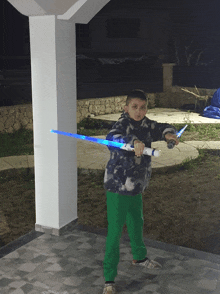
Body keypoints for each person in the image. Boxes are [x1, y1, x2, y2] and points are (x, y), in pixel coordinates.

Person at [102, 89, 179, 294]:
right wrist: (132, 142)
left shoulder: (146, 124)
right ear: (126, 108)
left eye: (142, 107)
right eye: (134, 107)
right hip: (118, 188)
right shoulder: (123, 124)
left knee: (137, 222)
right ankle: (109, 279)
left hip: (135, 187)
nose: (138, 111)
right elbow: (113, 137)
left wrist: (168, 133)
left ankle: (139, 257)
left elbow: (161, 127)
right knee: (115, 232)